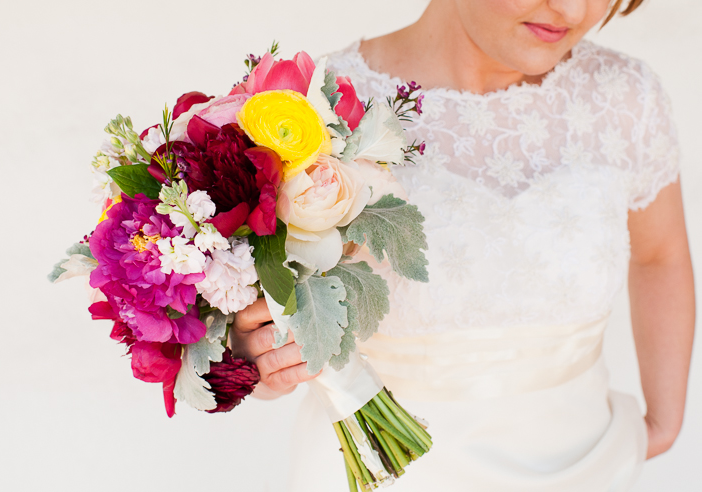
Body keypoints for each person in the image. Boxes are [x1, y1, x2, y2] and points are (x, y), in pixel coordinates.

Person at [231, 0, 696, 490]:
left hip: (587, 465)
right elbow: (260, 323)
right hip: (388, 473)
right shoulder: (311, 111)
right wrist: (254, 355)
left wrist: (665, 419)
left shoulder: (624, 98)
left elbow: (658, 255)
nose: (573, 9)